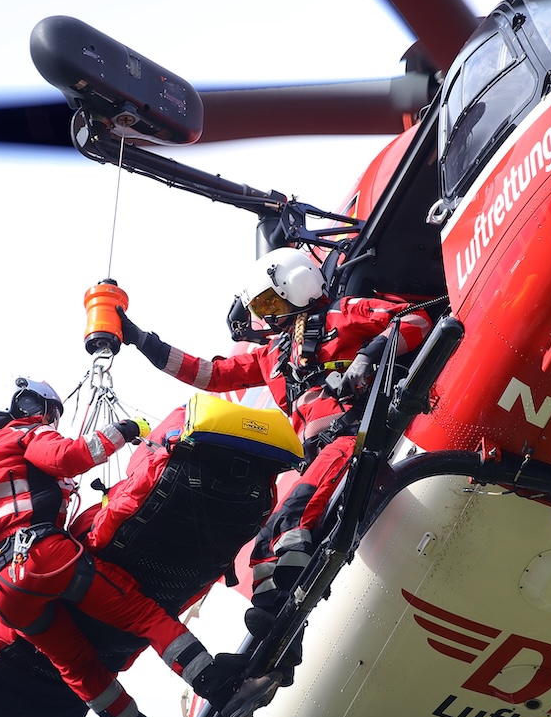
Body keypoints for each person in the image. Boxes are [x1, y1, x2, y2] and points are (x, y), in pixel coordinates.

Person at [116, 248, 432, 631]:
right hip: (318, 453)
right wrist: (140, 340)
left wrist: (368, 356)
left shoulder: (344, 312)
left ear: (297, 285)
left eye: (269, 300)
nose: (266, 314)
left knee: (293, 513)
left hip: (355, 433)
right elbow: (209, 374)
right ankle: (277, 617)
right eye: (260, 306)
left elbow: (416, 318)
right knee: (264, 542)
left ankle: (294, 586)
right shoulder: (271, 356)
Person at [0, 377, 255, 717]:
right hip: (41, 556)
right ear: (41, 411)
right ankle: (222, 688)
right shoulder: (27, 434)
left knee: (80, 670)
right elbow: (73, 457)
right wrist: (128, 429)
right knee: (142, 614)